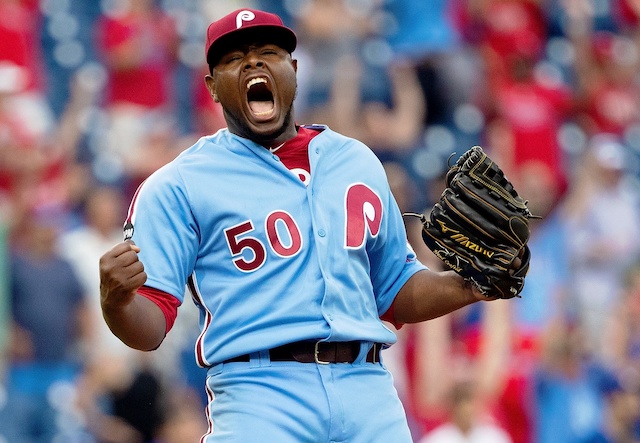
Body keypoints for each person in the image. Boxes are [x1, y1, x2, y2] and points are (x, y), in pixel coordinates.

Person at [98, 8, 512, 442]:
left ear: (293, 70)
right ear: (212, 88)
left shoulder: (355, 161)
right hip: (260, 394)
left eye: (268, 52)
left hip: (367, 389)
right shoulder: (178, 185)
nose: (254, 64)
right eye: (235, 58)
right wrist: (116, 302)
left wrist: (468, 286)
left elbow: (394, 291)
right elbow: (149, 329)